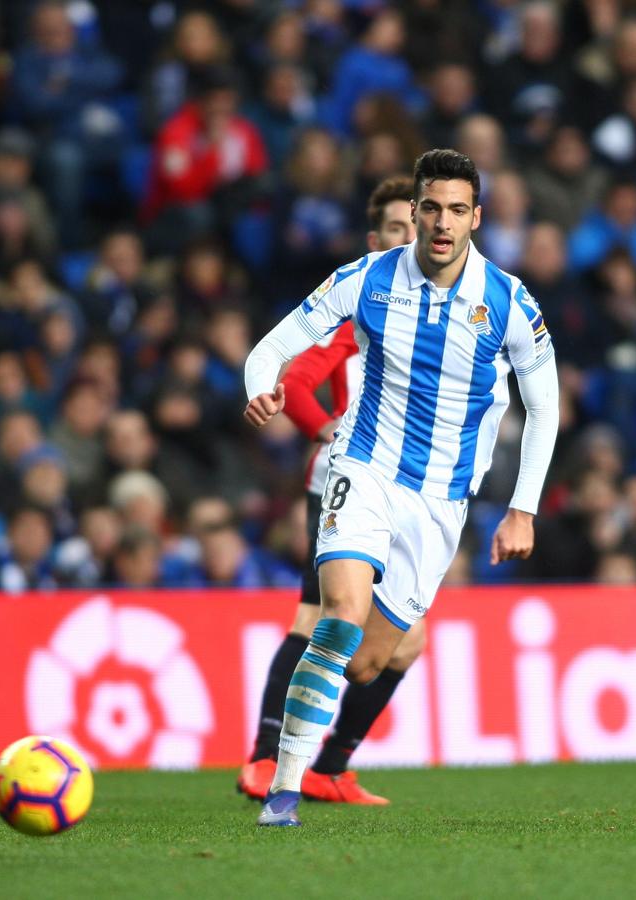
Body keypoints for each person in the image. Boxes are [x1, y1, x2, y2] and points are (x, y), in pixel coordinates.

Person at [242, 149, 559, 826]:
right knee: (338, 615)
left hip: (440, 501)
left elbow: (545, 409)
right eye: (431, 208)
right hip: (363, 468)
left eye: (456, 211)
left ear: (475, 218)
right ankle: (283, 792)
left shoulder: (508, 302)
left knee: (367, 662)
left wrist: (522, 510)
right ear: (414, 212)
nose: (442, 223)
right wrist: (259, 389)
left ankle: (319, 764)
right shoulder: (366, 278)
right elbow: (271, 349)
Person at [238, 175, 418, 807]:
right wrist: (327, 431)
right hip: (346, 481)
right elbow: (296, 381)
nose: (408, 238)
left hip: (412, 490)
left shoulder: (447, 312)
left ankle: (331, 767)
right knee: (316, 615)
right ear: (375, 240)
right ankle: (266, 758)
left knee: (408, 640)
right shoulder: (360, 311)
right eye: (395, 228)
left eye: (415, 225)